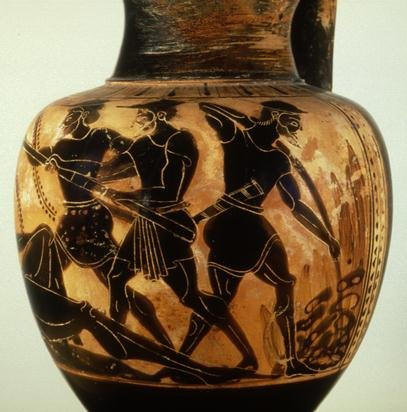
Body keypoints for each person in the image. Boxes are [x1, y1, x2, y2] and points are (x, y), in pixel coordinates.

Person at [177, 101, 341, 376]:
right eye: (291, 120)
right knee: (223, 301)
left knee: (280, 283)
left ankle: (291, 361)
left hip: (251, 227)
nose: (297, 127)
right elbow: (209, 108)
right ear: (275, 117)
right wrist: (246, 118)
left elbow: (296, 205)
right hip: (232, 227)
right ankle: (181, 358)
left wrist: (326, 236)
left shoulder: (278, 159)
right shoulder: (236, 139)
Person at [98, 100, 258, 369]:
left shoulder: (179, 141)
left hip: (168, 224)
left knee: (189, 297)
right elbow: (111, 172)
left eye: (143, 113)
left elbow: (166, 189)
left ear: (160, 114)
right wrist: (80, 169)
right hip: (144, 224)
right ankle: (118, 351)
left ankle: (248, 355)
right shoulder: (141, 144)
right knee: (116, 277)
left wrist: (125, 196)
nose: (137, 119)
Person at [22, 101, 173, 347]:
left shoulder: (100, 136)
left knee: (116, 283)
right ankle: (66, 329)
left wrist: (103, 173)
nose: (65, 122)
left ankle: (164, 346)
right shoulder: (62, 144)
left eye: (70, 118)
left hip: (91, 220)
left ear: (82, 115)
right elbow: (36, 158)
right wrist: (38, 148)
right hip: (69, 221)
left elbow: (136, 153)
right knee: (46, 270)